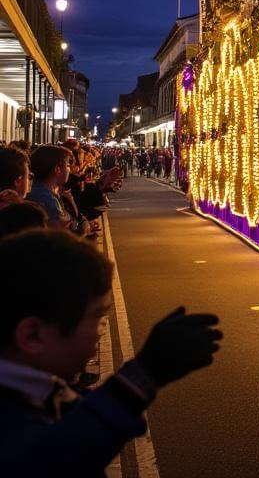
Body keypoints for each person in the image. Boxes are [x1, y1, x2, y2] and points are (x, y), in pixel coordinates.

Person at [0, 229, 222, 475]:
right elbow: (55, 458)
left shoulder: (38, 392)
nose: (100, 332)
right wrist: (141, 377)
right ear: (33, 334)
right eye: (97, 317)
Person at [25, 146, 73, 231]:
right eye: (68, 165)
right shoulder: (47, 199)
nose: (69, 169)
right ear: (57, 169)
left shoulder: (34, 189)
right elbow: (60, 236)